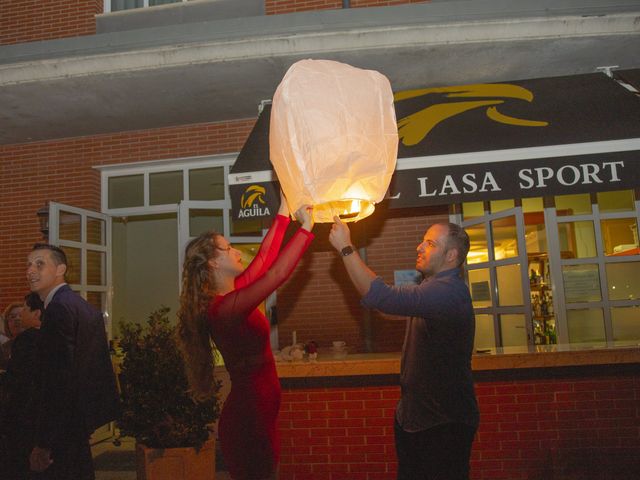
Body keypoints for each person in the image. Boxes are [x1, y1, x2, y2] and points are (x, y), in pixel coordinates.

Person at [329, 218, 479, 480]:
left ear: (451, 255)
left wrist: (345, 246)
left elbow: (381, 297)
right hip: (418, 418)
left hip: (443, 424)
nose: (419, 247)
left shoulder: (449, 292)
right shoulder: (432, 288)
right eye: (422, 241)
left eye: (430, 243)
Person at [177, 195, 314, 480]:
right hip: (249, 418)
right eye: (227, 249)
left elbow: (265, 258)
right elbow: (276, 273)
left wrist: (283, 212)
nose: (237, 252)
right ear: (213, 264)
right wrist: (306, 227)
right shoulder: (223, 310)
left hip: (261, 413)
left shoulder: (233, 296)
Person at [25, 243, 120, 480]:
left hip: (62, 427)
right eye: (28, 265)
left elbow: (58, 377)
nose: (31, 271)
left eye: (39, 264)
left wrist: (44, 441)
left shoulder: (58, 309)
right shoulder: (81, 306)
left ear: (60, 269)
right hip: (78, 421)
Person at [0, 292, 44, 480]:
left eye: (21, 313)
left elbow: (19, 380)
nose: (17, 319)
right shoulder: (5, 346)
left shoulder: (29, 342)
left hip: (22, 417)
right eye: (12, 317)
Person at [1, 302, 23, 368]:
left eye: (21, 315)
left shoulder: (38, 343)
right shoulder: (3, 348)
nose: (17, 319)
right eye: (12, 317)